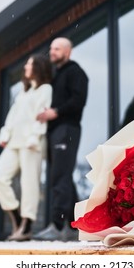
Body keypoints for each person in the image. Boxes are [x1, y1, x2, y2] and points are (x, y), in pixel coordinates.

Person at [0, 54, 52, 241]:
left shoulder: (45, 89)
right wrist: (5, 134)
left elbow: (42, 114)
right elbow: (12, 116)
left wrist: (34, 136)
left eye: (29, 64)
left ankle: (27, 225)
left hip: (32, 142)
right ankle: (17, 218)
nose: (26, 67)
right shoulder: (23, 92)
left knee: (29, 183)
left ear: (38, 68)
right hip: (15, 142)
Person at [33, 37, 88, 241]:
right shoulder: (55, 76)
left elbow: (78, 101)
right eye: (51, 48)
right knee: (63, 176)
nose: (52, 51)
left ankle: (56, 226)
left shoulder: (76, 73)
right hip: (53, 130)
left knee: (59, 176)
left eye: (57, 48)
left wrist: (56, 112)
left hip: (67, 128)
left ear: (68, 51)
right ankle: (75, 227)